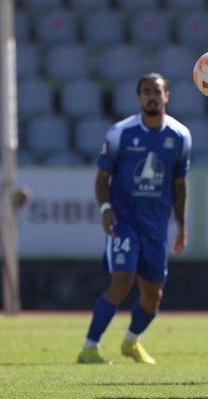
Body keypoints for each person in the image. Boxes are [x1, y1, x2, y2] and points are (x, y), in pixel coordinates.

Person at [77, 73, 191, 365]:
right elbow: (102, 178)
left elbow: (179, 184)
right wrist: (105, 210)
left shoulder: (180, 136)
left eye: (157, 91)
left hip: (156, 225)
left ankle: (131, 342)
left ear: (167, 96)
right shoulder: (120, 133)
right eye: (146, 91)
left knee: (153, 297)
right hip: (124, 221)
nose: (151, 96)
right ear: (139, 97)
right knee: (123, 280)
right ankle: (89, 347)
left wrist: (181, 225)